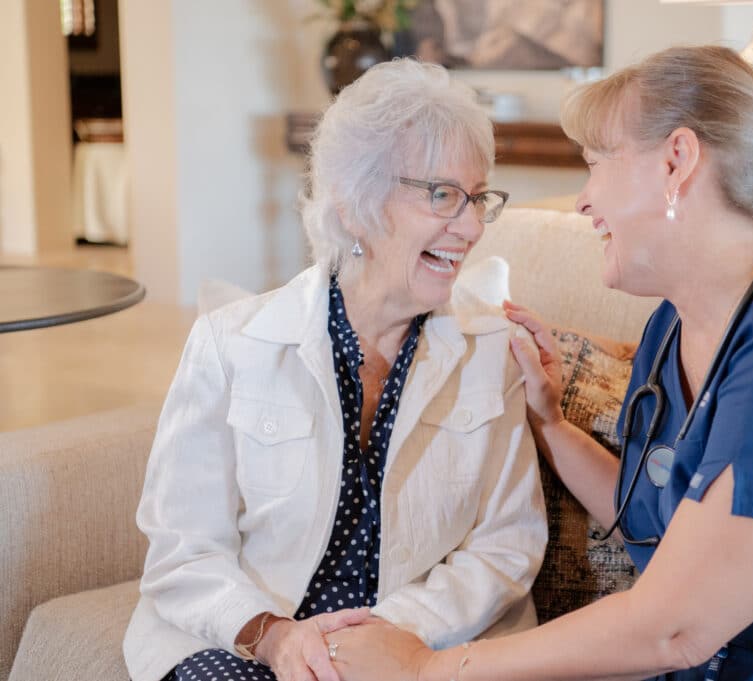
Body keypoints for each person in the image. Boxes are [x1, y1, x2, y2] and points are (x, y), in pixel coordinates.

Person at [323, 45, 753, 680]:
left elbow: (676, 626)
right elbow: (656, 518)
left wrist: (428, 666)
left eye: (596, 161)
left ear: (677, 161)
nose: (584, 199)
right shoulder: (672, 328)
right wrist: (551, 423)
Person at [122, 59, 547, 681]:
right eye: (442, 195)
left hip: (419, 644)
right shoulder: (229, 344)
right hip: (254, 641)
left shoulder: (492, 348)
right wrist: (276, 638)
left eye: (479, 198)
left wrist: (382, 636)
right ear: (355, 205)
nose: (473, 225)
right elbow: (183, 550)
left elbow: (506, 543)